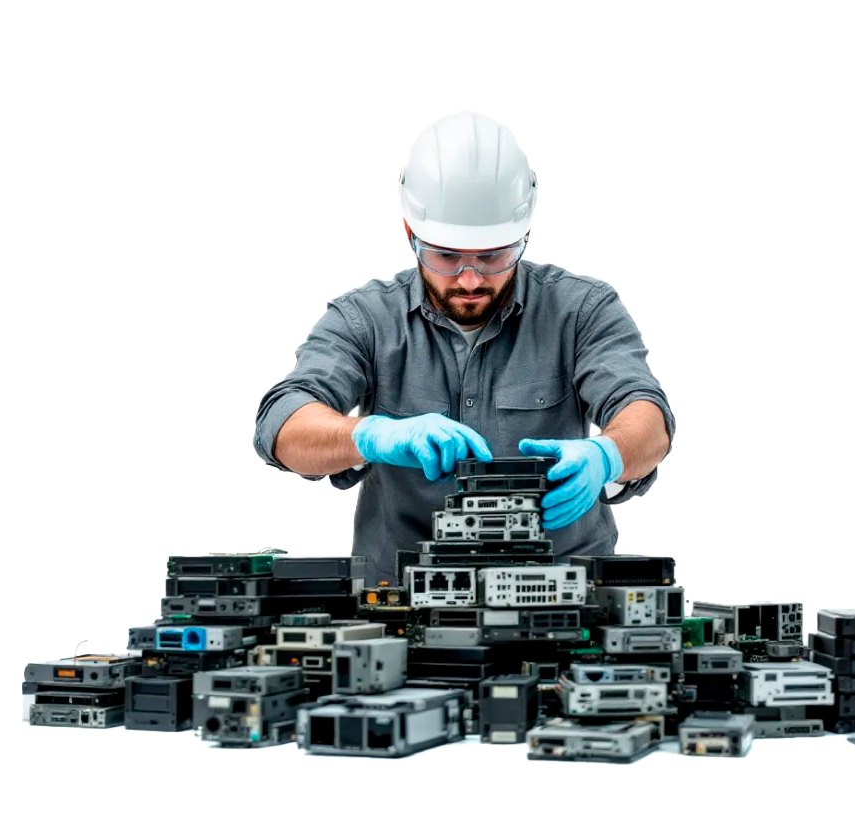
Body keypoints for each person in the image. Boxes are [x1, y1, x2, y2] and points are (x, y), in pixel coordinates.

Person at [253, 110, 676, 584]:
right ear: (410, 235)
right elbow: (282, 424)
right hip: (404, 611)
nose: (470, 279)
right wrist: (368, 435)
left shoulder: (582, 310)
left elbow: (647, 417)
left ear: (524, 236)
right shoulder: (365, 319)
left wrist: (608, 455)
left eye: (493, 255)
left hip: (568, 601)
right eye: (446, 255)